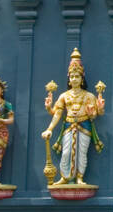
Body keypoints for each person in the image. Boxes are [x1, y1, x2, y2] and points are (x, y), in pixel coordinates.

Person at [42, 49, 105, 187]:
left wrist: (96, 110)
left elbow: (94, 114)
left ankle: (79, 178)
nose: (74, 79)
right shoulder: (64, 96)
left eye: (77, 76)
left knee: (81, 153)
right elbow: (57, 113)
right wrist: (49, 126)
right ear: (69, 79)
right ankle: (65, 177)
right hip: (68, 126)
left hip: (84, 126)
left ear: (82, 78)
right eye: (72, 76)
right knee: (66, 152)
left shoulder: (89, 96)